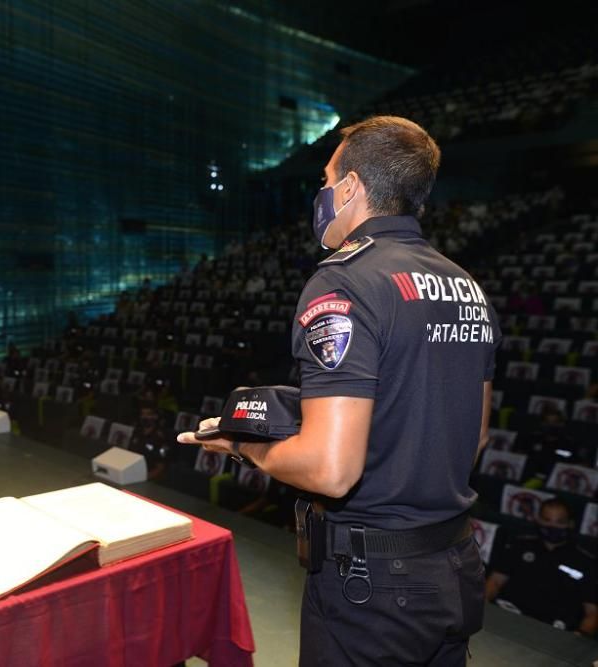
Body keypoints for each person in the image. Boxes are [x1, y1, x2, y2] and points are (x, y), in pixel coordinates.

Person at [180, 116, 501, 665]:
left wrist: (242, 446)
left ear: (351, 187)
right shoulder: (465, 285)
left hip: (373, 588)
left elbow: (332, 470)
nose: (322, 194)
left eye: (327, 181)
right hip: (453, 565)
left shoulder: (345, 280)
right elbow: (472, 438)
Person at [485, 498, 597, 635]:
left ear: (571, 524)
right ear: (538, 520)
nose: (552, 526)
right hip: (508, 615)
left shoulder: (585, 561)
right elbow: (494, 582)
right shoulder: (519, 545)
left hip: (553, 629)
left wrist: (579, 637)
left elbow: (592, 613)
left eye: (560, 522)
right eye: (547, 520)